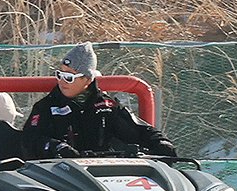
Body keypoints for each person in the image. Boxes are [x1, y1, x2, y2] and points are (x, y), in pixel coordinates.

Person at [22, 42, 177, 159]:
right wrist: (56, 147)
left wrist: (160, 142)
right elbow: (30, 139)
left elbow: (138, 129)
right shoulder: (46, 107)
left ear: (87, 79)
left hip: (100, 173)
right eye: (59, 75)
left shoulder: (106, 106)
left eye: (69, 77)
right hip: (60, 173)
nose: (62, 81)